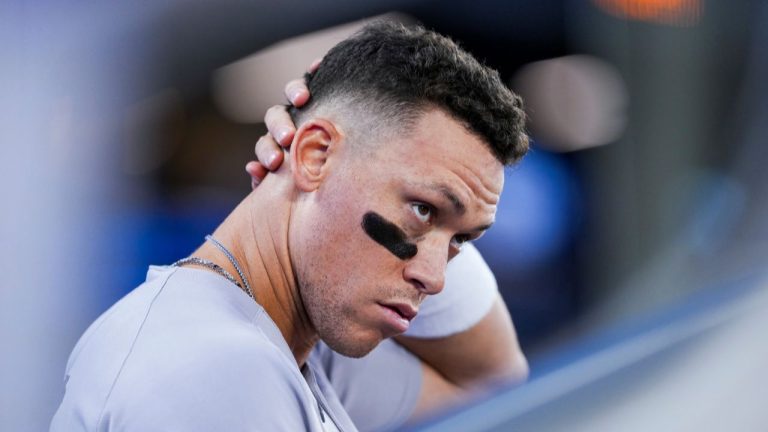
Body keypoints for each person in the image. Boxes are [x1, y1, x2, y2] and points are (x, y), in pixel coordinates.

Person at [51, 21, 529, 431]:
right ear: (314, 154)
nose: (436, 278)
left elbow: (491, 391)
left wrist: (436, 206)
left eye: (461, 240)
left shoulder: (297, 347)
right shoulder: (215, 368)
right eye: (422, 209)